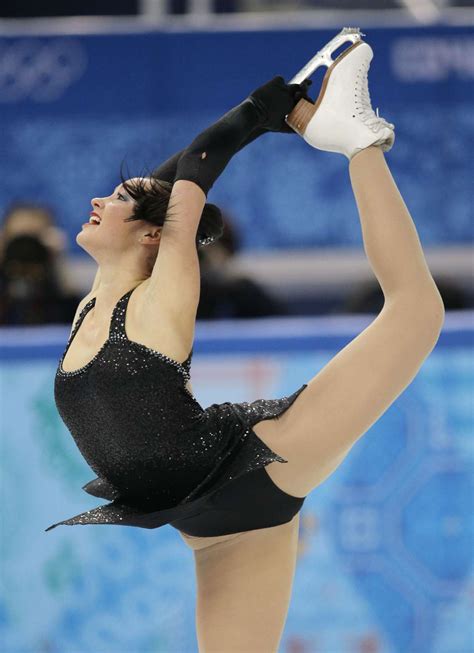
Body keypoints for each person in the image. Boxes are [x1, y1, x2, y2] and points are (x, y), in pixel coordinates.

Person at [45, 29, 445, 652]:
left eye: (116, 199)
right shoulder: (92, 302)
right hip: (215, 530)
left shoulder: (164, 290)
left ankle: (361, 142)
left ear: (155, 235)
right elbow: (168, 185)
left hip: (259, 465)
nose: (97, 199)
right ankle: (337, 126)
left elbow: (198, 164)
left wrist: (263, 113)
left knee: (417, 311)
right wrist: (275, 116)